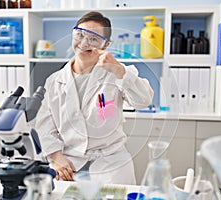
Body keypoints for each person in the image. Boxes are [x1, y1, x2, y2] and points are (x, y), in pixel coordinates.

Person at [35, 11, 154, 185]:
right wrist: (56, 156)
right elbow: (45, 125)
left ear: (105, 44)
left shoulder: (117, 72)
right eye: (80, 35)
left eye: (93, 38)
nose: (84, 43)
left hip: (112, 162)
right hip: (68, 163)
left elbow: (144, 101)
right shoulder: (54, 81)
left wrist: (120, 71)